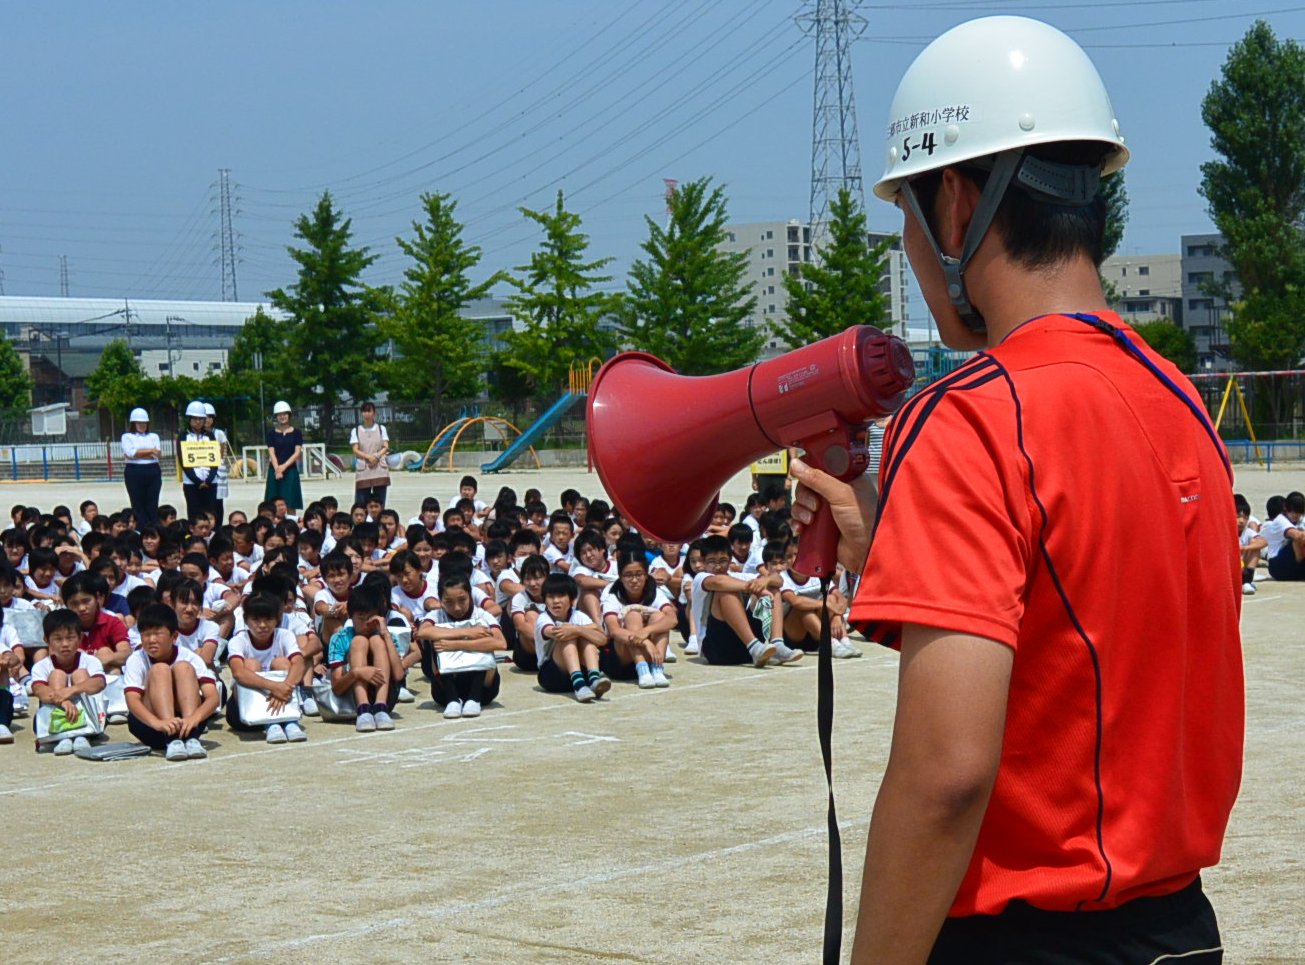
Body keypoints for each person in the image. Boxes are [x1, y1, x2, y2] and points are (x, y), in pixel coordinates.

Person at [788, 18, 1242, 962]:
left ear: (955, 202)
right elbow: (1083, 641)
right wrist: (890, 543)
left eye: (907, 217)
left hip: (1027, 940)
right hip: (1178, 930)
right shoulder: (1174, 397)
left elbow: (945, 774)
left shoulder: (972, 415)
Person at [123, 603, 219, 761]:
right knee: (160, 669)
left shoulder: (188, 656)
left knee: (183, 668)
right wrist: (158, 723)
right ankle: (172, 739)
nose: (151, 640)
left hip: (189, 723)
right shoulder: (136, 659)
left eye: (157, 634)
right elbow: (132, 700)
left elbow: (213, 697)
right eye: (146, 634)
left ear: (174, 637)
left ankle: (190, 739)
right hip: (152, 727)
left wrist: (194, 718)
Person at [415, 571, 504, 720]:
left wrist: (457, 643)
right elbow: (422, 633)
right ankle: (453, 699)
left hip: (483, 688)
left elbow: (500, 642)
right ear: (441, 600)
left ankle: (474, 698)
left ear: (470, 596)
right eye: (449, 602)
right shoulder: (436, 615)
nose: (456, 607)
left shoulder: (481, 615)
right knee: (435, 639)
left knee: (484, 637)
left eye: (462, 600)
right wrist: (467, 632)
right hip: (444, 690)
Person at [30, 609, 107, 756]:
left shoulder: (90, 660)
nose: (65, 644)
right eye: (58, 639)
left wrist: (71, 691)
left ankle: (81, 734)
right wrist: (63, 701)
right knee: (57, 675)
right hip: (55, 718)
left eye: (70, 638)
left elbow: (99, 683)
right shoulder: (41, 666)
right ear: (47, 640)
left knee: (80, 674)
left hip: (90, 718)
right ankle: (63, 734)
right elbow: (39, 690)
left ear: (80, 638)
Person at [600, 550, 676, 689]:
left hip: (652, 656)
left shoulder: (654, 592)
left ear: (646, 575)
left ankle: (657, 669)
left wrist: (647, 630)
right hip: (620, 662)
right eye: (628, 575)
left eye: (639, 574)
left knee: (659, 617)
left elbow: (672, 619)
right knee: (632, 614)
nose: (634, 580)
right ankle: (642, 669)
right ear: (620, 577)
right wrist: (646, 641)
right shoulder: (612, 596)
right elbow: (614, 631)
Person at [533, 572, 609, 703]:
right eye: (550, 597)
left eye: (561, 595)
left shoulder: (578, 615)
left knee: (584, 635)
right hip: (553, 675)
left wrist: (579, 629)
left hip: (582, 672)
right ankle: (579, 686)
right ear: (544, 599)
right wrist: (581, 629)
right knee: (568, 636)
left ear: (572, 599)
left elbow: (602, 639)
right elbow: (557, 632)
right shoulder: (543, 618)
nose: (556, 601)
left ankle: (594, 679)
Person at [120, 407, 163, 528]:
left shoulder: (154, 436)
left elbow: (157, 454)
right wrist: (150, 451)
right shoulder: (127, 436)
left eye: (144, 423)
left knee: (152, 503)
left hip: (153, 470)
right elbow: (131, 453)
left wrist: (140, 453)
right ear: (133, 423)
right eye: (139, 423)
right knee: (138, 504)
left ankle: (152, 529)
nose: (142, 425)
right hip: (134, 471)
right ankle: (140, 529)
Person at [180, 400, 220, 524]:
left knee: (210, 515)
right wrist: (197, 481)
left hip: (210, 483)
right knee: (194, 515)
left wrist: (208, 480)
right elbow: (183, 461)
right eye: (195, 418)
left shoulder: (210, 436)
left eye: (200, 419)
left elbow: (215, 460)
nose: (198, 422)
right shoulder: (183, 436)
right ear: (190, 419)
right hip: (192, 484)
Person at [265, 400, 304, 513]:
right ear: (276, 416)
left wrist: (284, 467)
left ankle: (291, 525)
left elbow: (297, 453)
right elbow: (271, 452)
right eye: (279, 414)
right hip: (274, 471)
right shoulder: (271, 434)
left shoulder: (297, 433)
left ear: (289, 415)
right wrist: (277, 468)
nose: (282, 417)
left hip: (290, 470)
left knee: (290, 502)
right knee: (273, 504)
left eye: (285, 414)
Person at [350, 401, 391, 507]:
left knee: (380, 501)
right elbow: (355, 449)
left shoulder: (382, 429)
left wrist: (376, 456)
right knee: (361, 501)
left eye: (369, 411)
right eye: (364, 411)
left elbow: (386, 446)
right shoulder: (356, 430)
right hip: (364, 468)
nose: (367, 414)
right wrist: (368, 456)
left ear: (374, 413)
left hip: (379, 467)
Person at [203, 402, 231, 526]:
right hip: (203, 470)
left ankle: (218, 526)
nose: (207, 420)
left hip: (218, 471)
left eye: (210, 417)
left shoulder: (219, 433)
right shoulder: (197, 435)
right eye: (205, 417)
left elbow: (223, 452)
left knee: (218, 502)